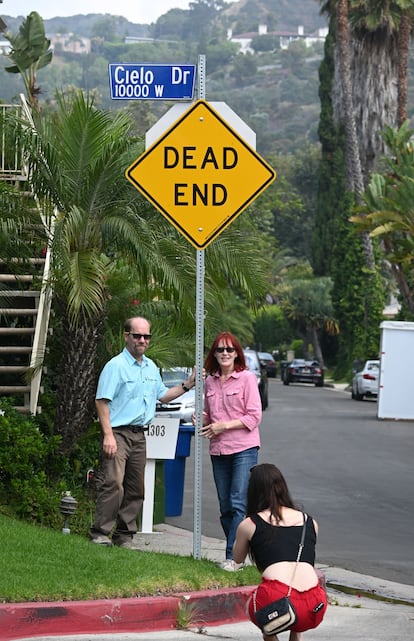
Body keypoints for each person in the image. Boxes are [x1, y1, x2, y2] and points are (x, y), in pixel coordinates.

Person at [89, 316, 195, 549]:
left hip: (140, 435)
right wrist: (108, 435)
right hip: (118, 433)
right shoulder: (115, 366)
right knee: (114, 483)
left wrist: (188, 384)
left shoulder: (151, 367)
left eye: (146, 336)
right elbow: (101, 402)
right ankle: (100, 533)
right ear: (126, 336)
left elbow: (163, 395)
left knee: (136, 488)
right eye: (137, 336)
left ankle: (124, 537)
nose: (142, 340)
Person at [233, 463, 327, 641]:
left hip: (277, 598)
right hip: (315, 603)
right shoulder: (310, 522)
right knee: (296, 606)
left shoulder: (250, 524)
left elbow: (237, 559)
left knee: (256, 608)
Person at [199, 331, 262, 571]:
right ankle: (240, 549)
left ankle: (232, 558)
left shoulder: (247, 378)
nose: (225, 354)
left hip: (244, 448)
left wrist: (224, 425)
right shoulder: (210, 381)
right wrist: (201, 417)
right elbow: (208, 413)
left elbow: (254, 416)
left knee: (238, 502)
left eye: (229, 350)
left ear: (237, 354)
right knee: (225, 506)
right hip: (219, 449)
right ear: (214, 354)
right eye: (220, 350)